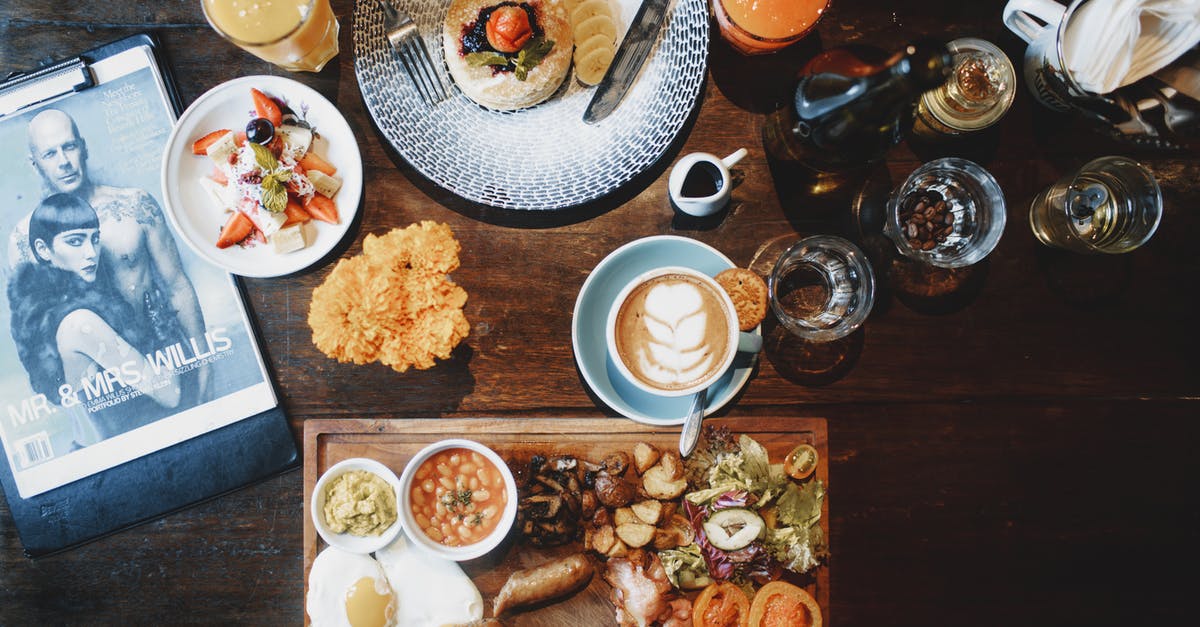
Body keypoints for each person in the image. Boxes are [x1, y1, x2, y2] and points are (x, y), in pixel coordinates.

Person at [9, 108, 209, 404]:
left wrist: (203, 359)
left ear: (83, 147)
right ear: (34, 163)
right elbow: (32, 337)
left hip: (164, 358)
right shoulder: (25, 238)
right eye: (50, 154)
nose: (64, 162)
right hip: (101, 391)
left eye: (69, 147)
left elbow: (176, 285)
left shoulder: (133, 205)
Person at [8, 194, 182, 444]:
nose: (91, 253)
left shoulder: (52, 312)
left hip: (100, 450)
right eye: (75, 241)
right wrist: (163, 328)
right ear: (43, 250)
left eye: (95, 239)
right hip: (117, 456)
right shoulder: (80, 322)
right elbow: (170, 393)